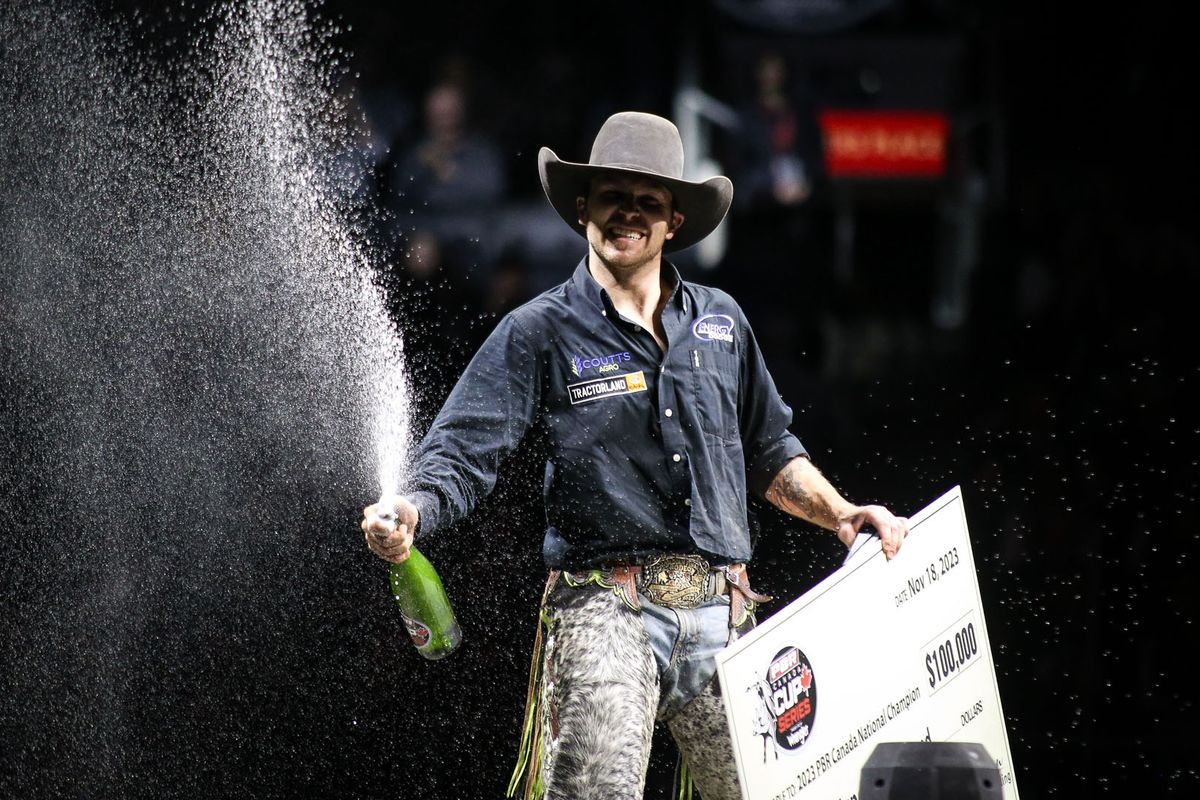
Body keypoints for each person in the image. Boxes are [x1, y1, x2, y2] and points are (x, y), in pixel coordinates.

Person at [362, 112, 908, 800]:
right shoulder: (539, 328)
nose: (630, 214)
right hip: (603, 612)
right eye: (615, 196)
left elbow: (769, 450)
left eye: (649, 202)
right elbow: (464, 448)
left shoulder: (722, 321)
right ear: (583, 207)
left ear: (674, 221)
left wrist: (840, 513)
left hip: (724, 613)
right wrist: (412, 507)